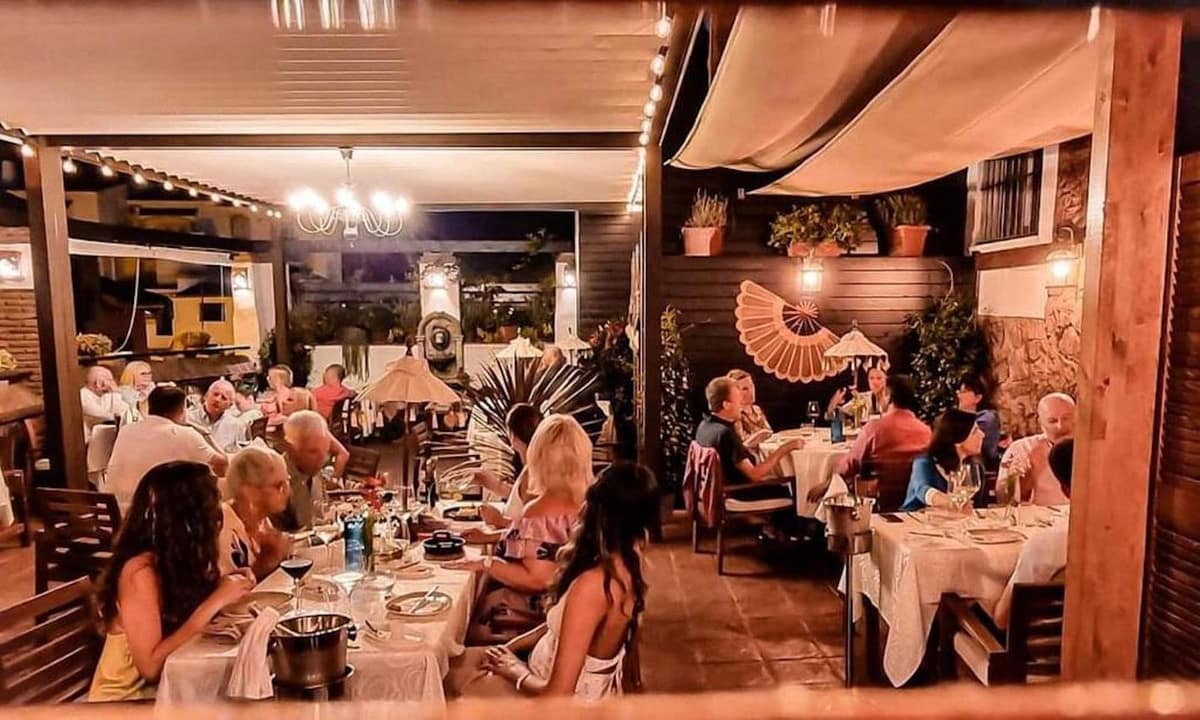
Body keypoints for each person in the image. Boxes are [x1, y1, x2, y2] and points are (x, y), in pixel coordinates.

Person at [455, 463, 657, 700]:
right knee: (457, 661)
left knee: (450, 678)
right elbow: (563, 626)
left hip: (557, 702)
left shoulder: (595, 584)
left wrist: (515, 670)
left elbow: (558, 694)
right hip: (538, 672)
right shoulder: (628, 559)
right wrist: (512, 647)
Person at [88, 461, 256, 702]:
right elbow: (150, 667)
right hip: (124, 704)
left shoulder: (172, 556)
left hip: (162, 693)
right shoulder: (140, 573)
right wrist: (215, 601)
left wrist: (223, 586)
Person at [450, 414, 594, 644]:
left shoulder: (540, 510)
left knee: (469, 618)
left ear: (540, 458)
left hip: (547, 615)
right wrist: (492, 538)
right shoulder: (593, 501)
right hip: (582, 611)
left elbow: (537, 580)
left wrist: (487, 563)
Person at [105, 387, 228, 510]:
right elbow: (221, 465)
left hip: (113, 513)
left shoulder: (126, 431)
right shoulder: (184, 434)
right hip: (155, 516)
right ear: (181, 410)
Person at [695, 376, 802, 494]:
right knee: (791, 487)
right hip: (737, 493)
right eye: (739, 401)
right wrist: (786, 448)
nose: (742, 406)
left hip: (713, 493)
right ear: (726, 405)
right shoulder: (725, 433)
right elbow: (755, 474)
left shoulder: (704, 426)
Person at [835, 374, 931, 481]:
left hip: (879, 490)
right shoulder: (926, 432)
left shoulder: (873, 429)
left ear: (888, 396)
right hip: (913, 490)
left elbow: (847, 467)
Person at [470, 403, 543, 539]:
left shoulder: (532, 473)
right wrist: (493, 485)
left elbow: (533, 532)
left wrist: (498, 523)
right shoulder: (533, 467)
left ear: (512, 436)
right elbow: (522, 503)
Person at [219, 445, 292, 579]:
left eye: (287, 482)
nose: (288, 492)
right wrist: (270, 558)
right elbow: (236, 586)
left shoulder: (262, 520)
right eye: (279, 486)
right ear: (249, 491)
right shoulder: (223, 528)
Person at [274, 410, 350, 531]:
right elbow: (275, 536)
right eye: (313, 452)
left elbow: (321, 516)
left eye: (325, 451)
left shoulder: (314, 473)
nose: (321, 459)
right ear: (290, 448)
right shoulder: (276, 483)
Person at [900, 409, 985, 511]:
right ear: (958, 439)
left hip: (955, 520)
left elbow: (976, 507)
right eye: (975, 432)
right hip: (914, 518)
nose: (982, 435)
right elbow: (923, 490)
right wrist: (950, 502)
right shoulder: (924, 463)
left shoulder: (974, 468)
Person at [1000, 392, 1075, 505]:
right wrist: (1031, 474)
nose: (1060, 426)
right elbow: (1005, 500)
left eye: (1066, 418)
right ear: (1041, 423)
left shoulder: (1094, 449)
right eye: (1052, 421)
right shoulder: (1020, 449)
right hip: (1039, 515)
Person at [188, 379, 250, 453]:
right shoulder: (188, 419)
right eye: (215, 394)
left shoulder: (237, 426)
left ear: (230, 405)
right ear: (206, 396)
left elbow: (241, 454)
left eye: (224, 398)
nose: (217, 399)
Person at [957, 376, 1002, 469]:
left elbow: (969, 445)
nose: (959, 396)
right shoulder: (960, 419)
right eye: (959, 392)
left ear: (978, 398)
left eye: (963, 392)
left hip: (984, 467)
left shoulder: (987, 419)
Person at [81, 365, 130, 442]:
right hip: (91, 440)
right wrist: (118, 415)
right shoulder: (83, 395)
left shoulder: (109, 394)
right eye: (110, 380)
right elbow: (102, 415)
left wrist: (116, 391)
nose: (113, 383)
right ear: (98, 383)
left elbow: (124, 410)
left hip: (108, 436)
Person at [727, 369, 772, 450]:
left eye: (752, 386)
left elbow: (770, 433)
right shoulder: (735, 415)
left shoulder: (757, 409)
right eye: (745, 389)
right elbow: (741, 445)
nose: (751, 391)